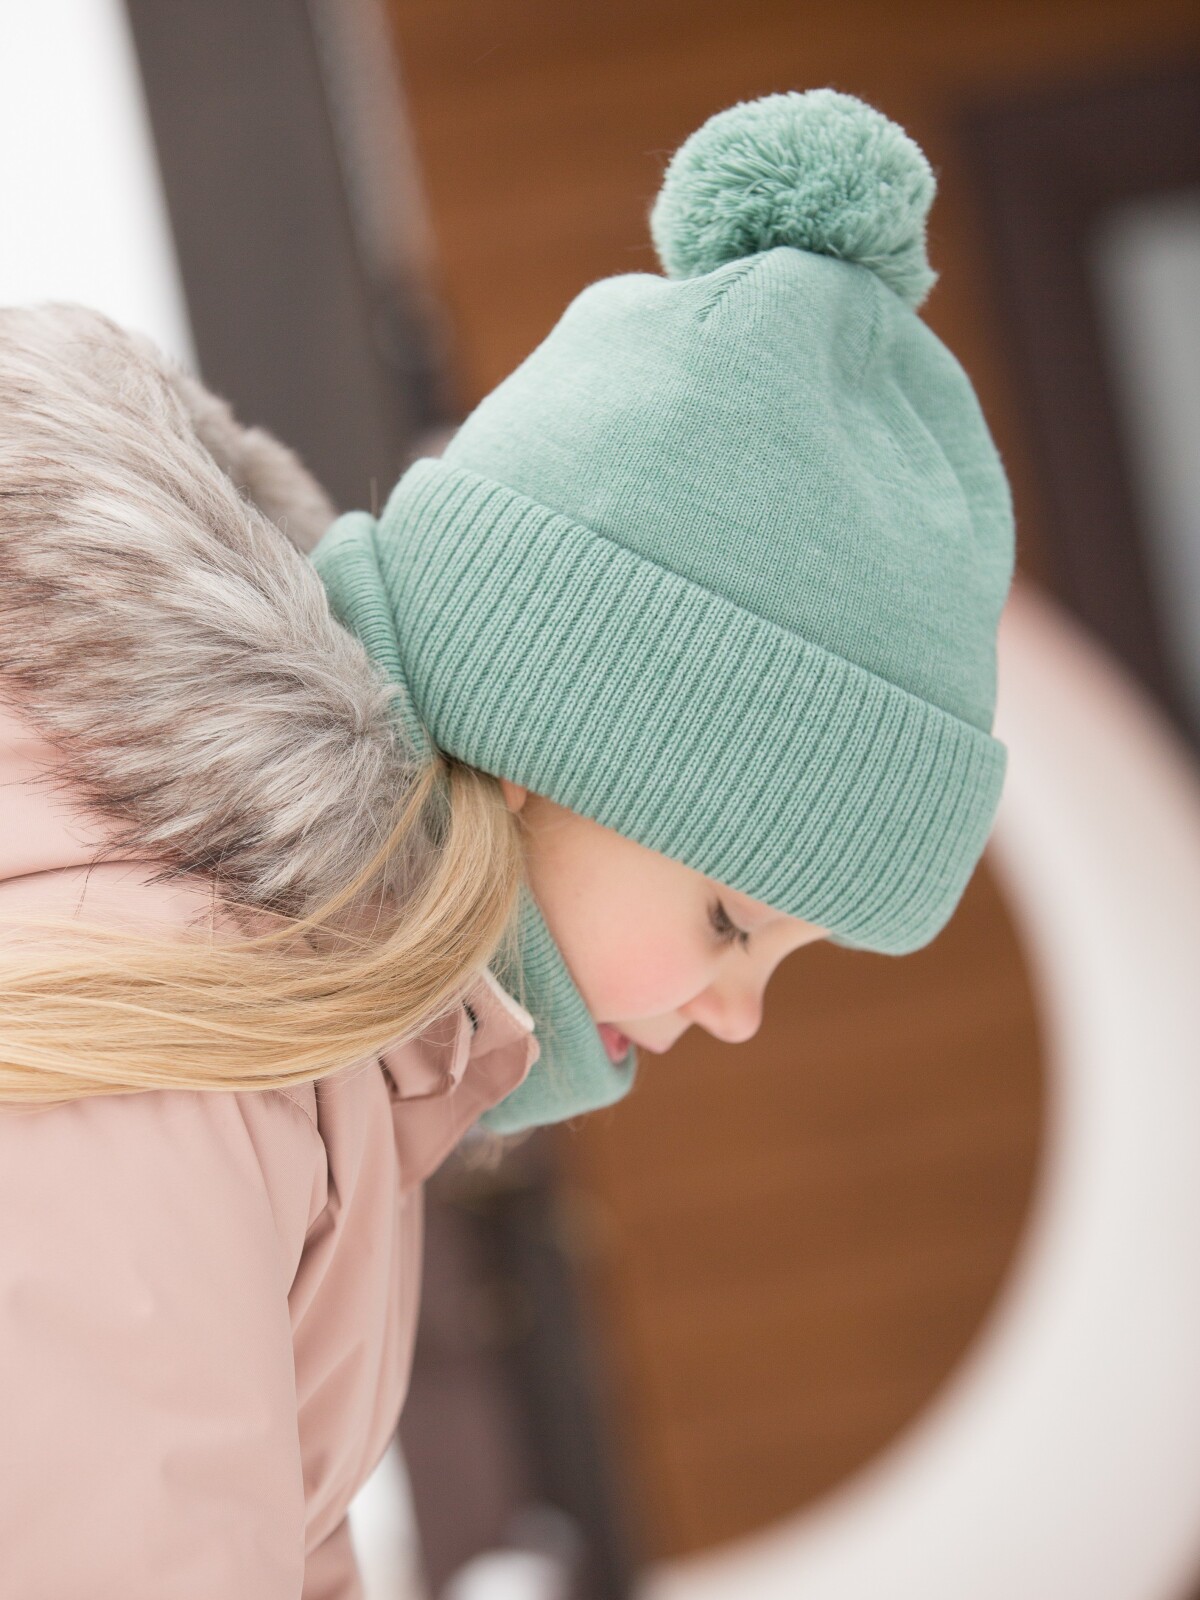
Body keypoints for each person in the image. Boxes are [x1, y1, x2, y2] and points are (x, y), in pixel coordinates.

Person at [0, 89, 1013, 1597]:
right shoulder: (191, 1040)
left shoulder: (319, 1058)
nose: (735, 1017)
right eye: (731, 920)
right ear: (546, 747)